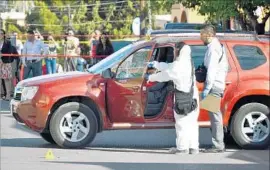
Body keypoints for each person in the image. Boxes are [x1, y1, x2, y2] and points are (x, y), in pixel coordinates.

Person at [147, 43, 200, 154]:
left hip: (182, 97)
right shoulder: (188, 62)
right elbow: (170, 66)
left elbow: (165, 75)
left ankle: (182, 148)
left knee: (181, 124)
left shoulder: (179, 66)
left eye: (175, 50)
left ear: (179, 51)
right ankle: (193, 147)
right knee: (192, 123)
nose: (174, 52)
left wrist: (151, 77)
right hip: (193, 96)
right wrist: (156, 64)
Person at [200, 25, 229, 153]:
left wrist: (207, 87)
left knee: (215, 115)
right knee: (213, 114)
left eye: (202, 34)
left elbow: (212, 69)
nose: (201, 37)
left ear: (209, 35)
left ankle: (218, 145)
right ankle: (217, 143)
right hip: (216, 84)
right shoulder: (216, 46)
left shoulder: (214, 49)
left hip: (214, 85)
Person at [0, 29, 18, 100]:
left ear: (4, 34)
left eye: (1, 33)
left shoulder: (8, 42)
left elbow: (10, 52)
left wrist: (2, 55)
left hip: (5, 63)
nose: (0, 35)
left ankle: (8, 95)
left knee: (7, 79)